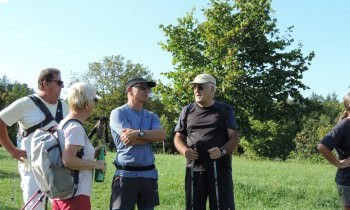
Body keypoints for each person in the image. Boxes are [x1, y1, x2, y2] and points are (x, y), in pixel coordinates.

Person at [0, 68, 68, 210]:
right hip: (32, 167)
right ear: (46, 83)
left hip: (59, 168)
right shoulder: (26, 103)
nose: (62, 86)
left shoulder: (65, 107)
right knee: (34, 207)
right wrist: (12, 150)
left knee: (61, 206)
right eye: (59, 82)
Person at [174, 73, 240, 210]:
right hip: (194, 169)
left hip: (219, 169)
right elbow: (178, 137)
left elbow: (234, 137)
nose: (196, 90)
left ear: (212, 89)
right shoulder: (187, 110)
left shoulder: (225, 110)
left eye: (201, 87)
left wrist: (222, 151)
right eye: (194, 87)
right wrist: (185, 150)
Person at [109, 77, 166, 210]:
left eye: (148, 89)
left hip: (149, 175)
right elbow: (129, 139)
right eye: (142, 88)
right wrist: (150, 136)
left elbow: (162, 135)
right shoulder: (118, 113)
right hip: (125, 176)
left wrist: (138, 133)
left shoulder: (152, 116)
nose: (147, 91)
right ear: (130, 90)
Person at [52, 82, 106, 210]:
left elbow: (71, 153)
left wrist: (93, 152)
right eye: (95, 100)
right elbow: (68, 160)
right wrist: (96, 164)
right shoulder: (75, 127)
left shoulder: (64, 123)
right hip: (76, 196)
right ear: (87, 104)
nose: (95, 104)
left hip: (62, 193)